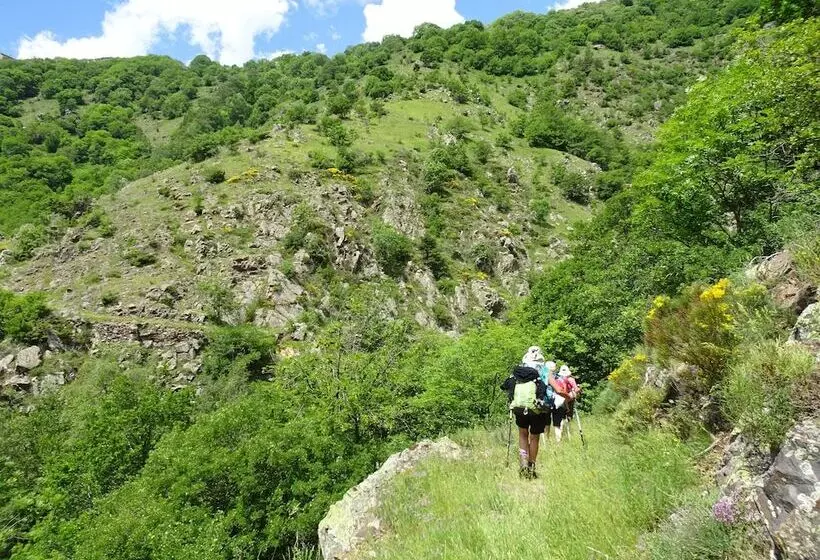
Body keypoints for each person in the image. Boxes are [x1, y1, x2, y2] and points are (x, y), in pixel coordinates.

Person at [502, 346, 549, 479]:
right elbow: (544, 390)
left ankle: (523, 464)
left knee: (523, 434)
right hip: (536, 410)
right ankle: (531, 466)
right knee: (534, 437)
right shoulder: (540, 372)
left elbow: (505, 385)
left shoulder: (517, 374)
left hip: (519, 408)